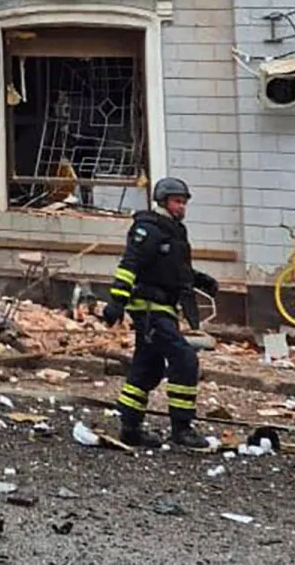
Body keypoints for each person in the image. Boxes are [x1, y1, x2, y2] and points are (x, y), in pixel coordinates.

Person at [103, 176, 218, 451]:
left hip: (165, 307)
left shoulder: (174, 231)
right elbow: (129, 265)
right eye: (177, 201)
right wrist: (117, 301)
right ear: (163, 202)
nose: (182, 207)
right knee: (185, 359)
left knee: (148, 367)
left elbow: (173, 269)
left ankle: (130, 428)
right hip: (149, 309)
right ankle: (182, 428)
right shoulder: (148, 229)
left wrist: (199, 280)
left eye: (184, 202)